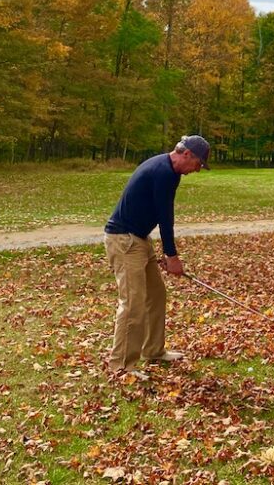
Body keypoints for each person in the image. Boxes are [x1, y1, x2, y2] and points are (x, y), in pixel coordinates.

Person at [103, 134, 210, 376]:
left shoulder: (171, 171)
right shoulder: (163, 171)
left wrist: (168, 253)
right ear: (187, 154)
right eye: (198, 164)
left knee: (156, 295)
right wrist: (171, 256)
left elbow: (164, 214)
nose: (197, 170)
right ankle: (121, 366)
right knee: (133, 303)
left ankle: (153, 350)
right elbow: (165, 218)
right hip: (124, 241)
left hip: (139, 239)